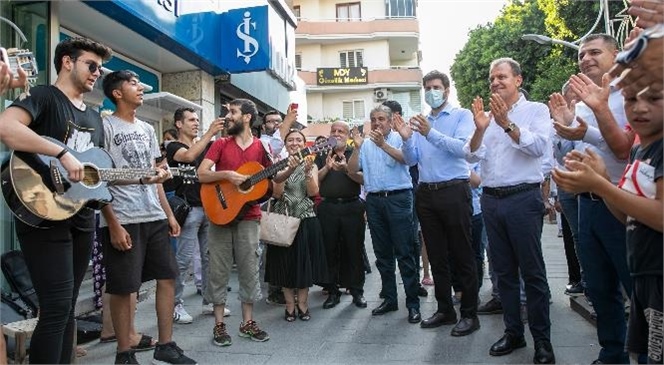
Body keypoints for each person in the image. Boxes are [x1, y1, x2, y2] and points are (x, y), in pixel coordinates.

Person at [0, 37, 112, 363]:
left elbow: (93, 172)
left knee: (69, 306)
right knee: (56, 307)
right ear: (67, 61)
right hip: (42, 211)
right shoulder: (44, 96)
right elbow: (7, 128)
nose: (96, 73)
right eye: (91, 65)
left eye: (100, 68)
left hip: (79, 214)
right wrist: (61, 152)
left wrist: (144, 177)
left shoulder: (93, 117)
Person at [553, 87, 663, 364]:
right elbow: (628, 215)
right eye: (631, 99)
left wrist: (602, 184)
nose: (638, 108)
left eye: (652, 97)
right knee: (601, 289)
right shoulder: (642, 148)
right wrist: (600, 184)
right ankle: (614, 353)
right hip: (596, 211)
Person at [100, 70, 195, 364]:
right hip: (123, 217)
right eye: (132, 84)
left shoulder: (148, 129)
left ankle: (165, 344)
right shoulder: (104, 126)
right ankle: (124, 353)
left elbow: (156, 175)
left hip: (153, 215)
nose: (139, 88)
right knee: (124, 286)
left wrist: (169, 214)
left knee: (168, 276)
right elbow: (97, 177)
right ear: (117, 93)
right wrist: (112, 223)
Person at [465, 57, 554, 363]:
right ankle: (513, 332)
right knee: (503, 275)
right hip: (491, 200)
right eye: (492, 78)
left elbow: (539, 148)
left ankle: (543, 340)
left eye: (502, 76)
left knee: (532, 273)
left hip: (523, 198)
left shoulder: (537, 111)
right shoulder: (486, 118)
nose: (495, 82)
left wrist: (508, 125)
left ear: (518, 79)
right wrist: (480, 130)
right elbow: (470, 155)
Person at [554, 34, 634, 364]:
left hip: (624, 205)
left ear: (617, 56)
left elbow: (622, 147)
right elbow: (572, 149)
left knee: (639, 292)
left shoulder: (633, 95)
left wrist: (581, 130)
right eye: (582, 54)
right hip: (586, 204)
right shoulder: (583, 102)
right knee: (600, 289)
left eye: (594, 52)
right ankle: (612, 353)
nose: (585, 58)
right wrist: (565, 131)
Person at [395, 70, 479, 336]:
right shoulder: (420, 122)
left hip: (454, 189)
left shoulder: (461, 116)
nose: (431, 91)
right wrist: (408, 138)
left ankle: (469, 313)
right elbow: (411, 160)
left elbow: (463, 150)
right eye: (427, 87)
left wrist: (430, 133)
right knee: (436, 254)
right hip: (427, 193)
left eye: (435, 87)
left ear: (446, 90)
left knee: (462, 254)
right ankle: (445, 309)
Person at [197, 98, 271, 347]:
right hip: (219, 214)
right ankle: (219, 324)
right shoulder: (219, 144)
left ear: (247, 117)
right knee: (218, 269)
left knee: (249, 268)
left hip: (249, 217)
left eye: (233, 112)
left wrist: (291, 167)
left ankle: (247, 322)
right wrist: (227, 174)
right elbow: (202, 173)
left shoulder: (261, 147)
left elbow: (272, 178)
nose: (228, 116)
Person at [348, 105, 420, 323]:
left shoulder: (401, 138)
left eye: (381, 119)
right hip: (374, 201)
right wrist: (357, 148)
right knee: (382, 254)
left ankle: (413, 303)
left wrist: (384, 145)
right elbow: (352, 171)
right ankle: (389, 298)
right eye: (373, 119)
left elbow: (408, 160)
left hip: (398, 198)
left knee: (405, 252)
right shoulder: (366, 144)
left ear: (390, 121)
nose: (377, 123)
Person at [166, 107, 225, 324]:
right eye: (191, 119)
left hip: (208, 208)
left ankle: (209, 301)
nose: (196, 123)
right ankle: (175, 305)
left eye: (197, 119)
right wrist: (210, 133)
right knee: (182, 261)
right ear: (179, 124)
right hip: (188, 209)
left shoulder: (204, 146)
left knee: (209, 258)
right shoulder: (173, 146)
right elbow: (188, 156)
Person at [264, 129, 328, 322]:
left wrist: (308, 172)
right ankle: (289, 306)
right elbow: (276, 193)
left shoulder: (312, 164)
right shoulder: (277, 164)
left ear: (304, 144)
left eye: (298, 140)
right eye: (290, 140)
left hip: (306, 219)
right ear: (285, 144)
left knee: (304, 265)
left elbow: (313, 192)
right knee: (285, 265)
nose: (294, 143)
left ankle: (303, 304)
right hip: (283, 221)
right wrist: (289, 169)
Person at [314, 121, 367, 310]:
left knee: (354, 250)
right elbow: (314, 181)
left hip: (352, 206)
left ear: (347, 135)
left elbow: (363, 179)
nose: (337, 134)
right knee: (329, 251)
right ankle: (332, 292)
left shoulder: (356, 152)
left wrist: (346, 169)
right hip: (328, 207)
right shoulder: (321, 153)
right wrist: (327, 167)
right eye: (333, 131)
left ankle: (356, 291)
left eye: (341, 131)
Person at [381, 99, 429, 298]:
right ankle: (389, 288)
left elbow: (409, 160)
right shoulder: (376, 139)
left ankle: (415, 283)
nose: (381, 123)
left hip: (411, 191)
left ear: (396, 117)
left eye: (385, 118)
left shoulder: (408, 135)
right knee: (387, 244)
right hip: (386, 197)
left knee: (411, 240)